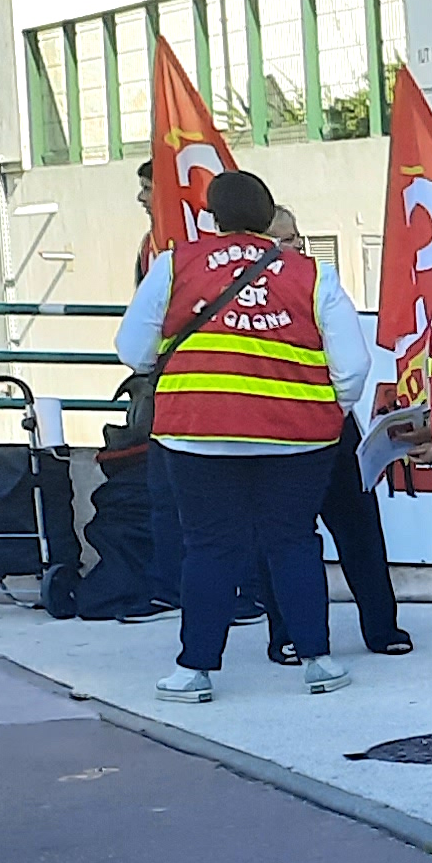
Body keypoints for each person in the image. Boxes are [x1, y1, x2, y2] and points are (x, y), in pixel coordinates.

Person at [118, 169, 370, 703]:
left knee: (208, 548)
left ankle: (195, 670)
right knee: (294, 542)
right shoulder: (311, 273)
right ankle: (318, 662)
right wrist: (325, 413)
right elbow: (352, 363)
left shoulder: (174, 264)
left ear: (211, 217)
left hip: (197, 434)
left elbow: (133, 350)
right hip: (297, 438)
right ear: (267, 214)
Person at [245, 208, 414, 663]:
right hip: (275, 430)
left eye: (297, 237)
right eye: (283, 240)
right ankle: (289, 634)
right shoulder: (243, 296)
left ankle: (382, 626)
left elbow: (350, 362)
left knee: (358, 528)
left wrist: (331, 410)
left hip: (324, 424)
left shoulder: (315, 282)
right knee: (282, 540)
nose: (296, 247)